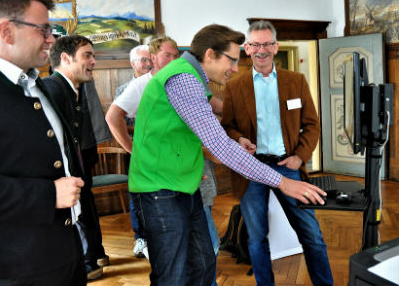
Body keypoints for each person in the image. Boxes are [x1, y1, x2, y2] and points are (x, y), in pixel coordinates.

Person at [128, 24, 326, 285]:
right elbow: (220, 145)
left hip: (182, 185)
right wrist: (284, 182)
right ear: (210, 54)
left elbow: (184, 137)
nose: (235, 67)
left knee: (203, 263)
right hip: (159, 189)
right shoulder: (184, 78)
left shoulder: (192, 77)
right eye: (231, 60)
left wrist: (211, 155)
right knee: (172, 275)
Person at [0, 0, 86, 285]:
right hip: (21, 264)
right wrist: (46, 196)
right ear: (6, 31)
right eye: (43, 30)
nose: (51, 39)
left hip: (68, 249)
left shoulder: (38, 85)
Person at [221, 20, 333, 286]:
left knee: (312, 235)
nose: (262, 50)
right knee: (257, 238)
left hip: (288, 166)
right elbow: (228, 127)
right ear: (247, 48)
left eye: (267, 44)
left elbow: (312, 125)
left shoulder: (296, 81)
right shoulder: (235, 86)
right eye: (256, 44)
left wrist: (299, 157)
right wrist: (240, 138)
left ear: (276, 46)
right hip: (251, 169)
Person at [43, 35, 110, 281]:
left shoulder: (71, 90)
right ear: (65, 58)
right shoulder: (52, 88)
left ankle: (90, 257)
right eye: (87, 56)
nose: (93, 62)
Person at [106, 37, 179, 259]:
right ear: (133, 64)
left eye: (149, 59)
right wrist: (136, 140)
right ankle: (142, 237)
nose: (147, 63)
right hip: (140, 149)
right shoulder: (127, 88)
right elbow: (118, 120)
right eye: (143, 60)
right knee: (139, 195)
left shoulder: (170, 80)